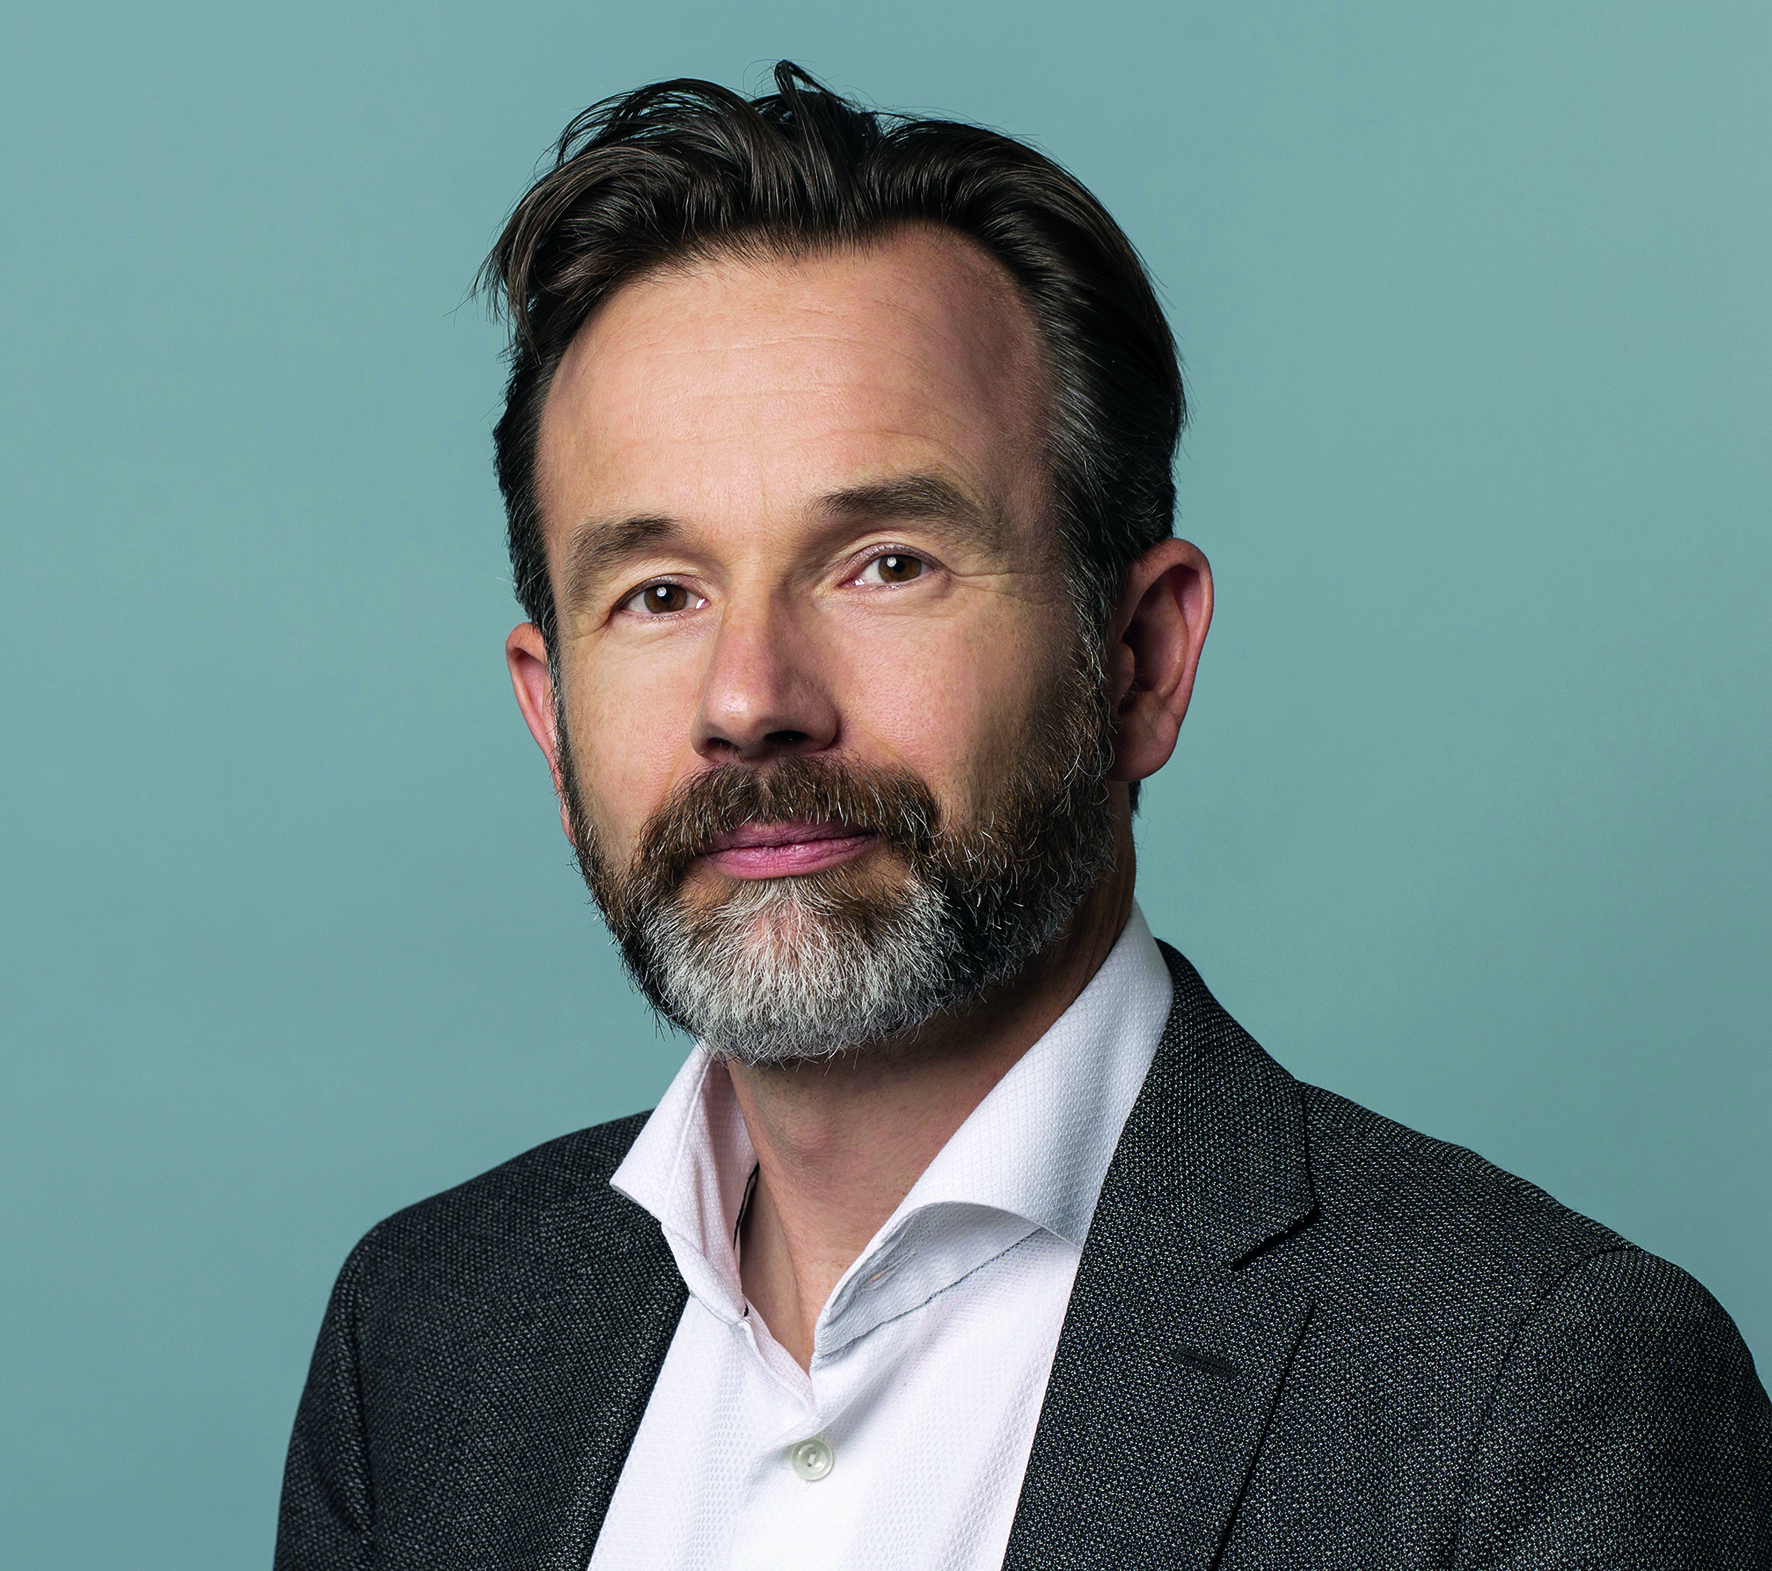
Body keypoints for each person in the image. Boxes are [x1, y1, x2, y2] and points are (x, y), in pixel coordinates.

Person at [275, 64, 1770, 1569]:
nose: (751, 698)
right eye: (658, 593)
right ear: (551, 721)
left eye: (887, 564)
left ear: (1141, 659)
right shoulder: (423, 1337)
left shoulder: (1537, 1397)